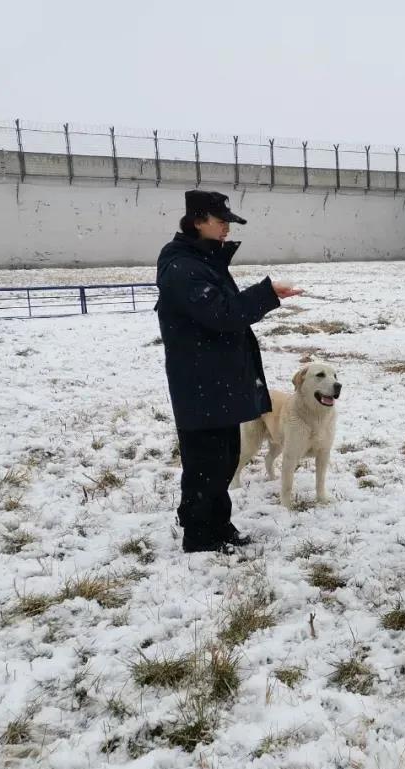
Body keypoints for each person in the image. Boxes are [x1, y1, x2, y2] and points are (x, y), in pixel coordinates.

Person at [156, 190, 301, 554]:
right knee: (205, 464)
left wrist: (266, 295)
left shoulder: (202, 260)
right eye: (221, 222)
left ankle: (218, 526)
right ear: (197, 221)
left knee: (222, 460)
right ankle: (200, 537)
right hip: (200, 383)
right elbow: (222, 314)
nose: (226, 229)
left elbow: (223, 311)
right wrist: (266, 294)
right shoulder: (183, 267)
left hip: (215, 380)